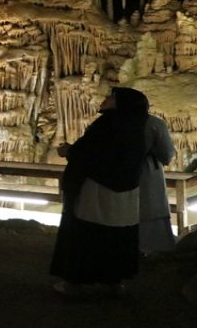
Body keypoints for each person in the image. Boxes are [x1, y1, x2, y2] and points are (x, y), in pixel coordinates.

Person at [50, 87, 152, 298]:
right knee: (118, 237)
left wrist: (68, 151)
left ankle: (74, 283)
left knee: (87, 235)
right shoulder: (136, 126)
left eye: (111, 97)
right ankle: (114, 282)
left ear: (119, 104)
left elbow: (88, 152)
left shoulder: (107, 124)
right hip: (126, 191)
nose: (105, 99)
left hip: (97, 189)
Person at [133, 95, 176, 254]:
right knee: (151, 206)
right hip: (148, 171)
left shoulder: (114, 123)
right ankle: (154, 247)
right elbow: (167, 152)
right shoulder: (155, 124)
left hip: (121, 171)